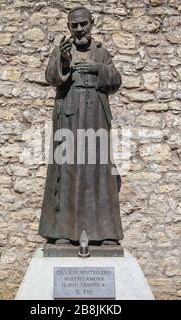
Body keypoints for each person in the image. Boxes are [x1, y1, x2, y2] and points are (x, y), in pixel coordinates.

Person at [38, 6, 123, 246]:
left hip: (95, 117)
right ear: (69, 27)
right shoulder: (62, 50)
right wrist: (63, 62)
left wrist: (99, 69)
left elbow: (116, 81)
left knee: (99, 173)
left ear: (91, 24)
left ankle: (105, 233)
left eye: (83, 24)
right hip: (69, 117)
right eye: (74, 25)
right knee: (66, 172)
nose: (79, 29)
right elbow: (51, 77)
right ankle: (62, 231)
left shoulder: (102, 53)